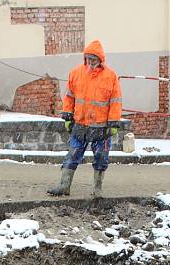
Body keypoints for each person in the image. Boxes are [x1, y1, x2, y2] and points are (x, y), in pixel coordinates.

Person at [47, 40, 123, 199]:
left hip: (101, 127)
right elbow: (69, 97)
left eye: (94, 59)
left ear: (100, 60)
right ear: (85, 58)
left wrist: (114, 122)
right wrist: (67, 115)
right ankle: (64, 185)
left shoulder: (111, 76)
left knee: (101, 158)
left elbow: (115, 100)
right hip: (80, 124)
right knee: (72, 155)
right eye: (88, 59)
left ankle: (97, 189)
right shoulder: (76, 73)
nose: (90, 62)